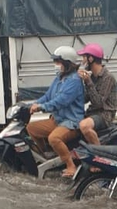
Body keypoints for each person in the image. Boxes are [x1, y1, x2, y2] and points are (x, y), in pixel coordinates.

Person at [27, 46, 85, 178]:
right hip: (58, 120)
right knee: (31, 128)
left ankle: (71, 166)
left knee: (54, 138)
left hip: (71, 122)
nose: (56, 65)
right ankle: (46, 155)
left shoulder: (74, 81)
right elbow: (48, 96)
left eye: (58, 62)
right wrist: (32, 105)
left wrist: (41, 107)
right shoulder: (59, 78)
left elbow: (61, 101)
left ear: (67, 63)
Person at [76, 43, 117, 145]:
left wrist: (88, 82)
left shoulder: (108, 77)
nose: (83, 61)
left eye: (84, 57)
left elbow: (98, 103)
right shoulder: (92, 76)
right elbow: (85, 98)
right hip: (92, 112)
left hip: (104, 114)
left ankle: (99, 152)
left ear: (91, 59)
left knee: (84, 126)